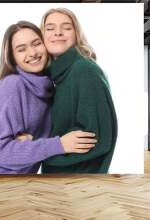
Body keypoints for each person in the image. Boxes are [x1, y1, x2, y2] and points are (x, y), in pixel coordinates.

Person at [0, 21, 97, 174]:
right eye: (21, 49)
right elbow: (1, 153)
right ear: (12, 58)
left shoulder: (48, 89)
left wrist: (27, 145)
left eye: (36, 43)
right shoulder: (12, 85)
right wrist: (60, 145)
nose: (32, 53)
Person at [40, 8, 118, 173]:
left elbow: (96, 137)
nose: (58, 33)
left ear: (76, 34)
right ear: (42, 36)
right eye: (50, 28)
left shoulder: (84, 70)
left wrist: (47, 152)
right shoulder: (57, 76)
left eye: (66, 27)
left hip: (77, 181)